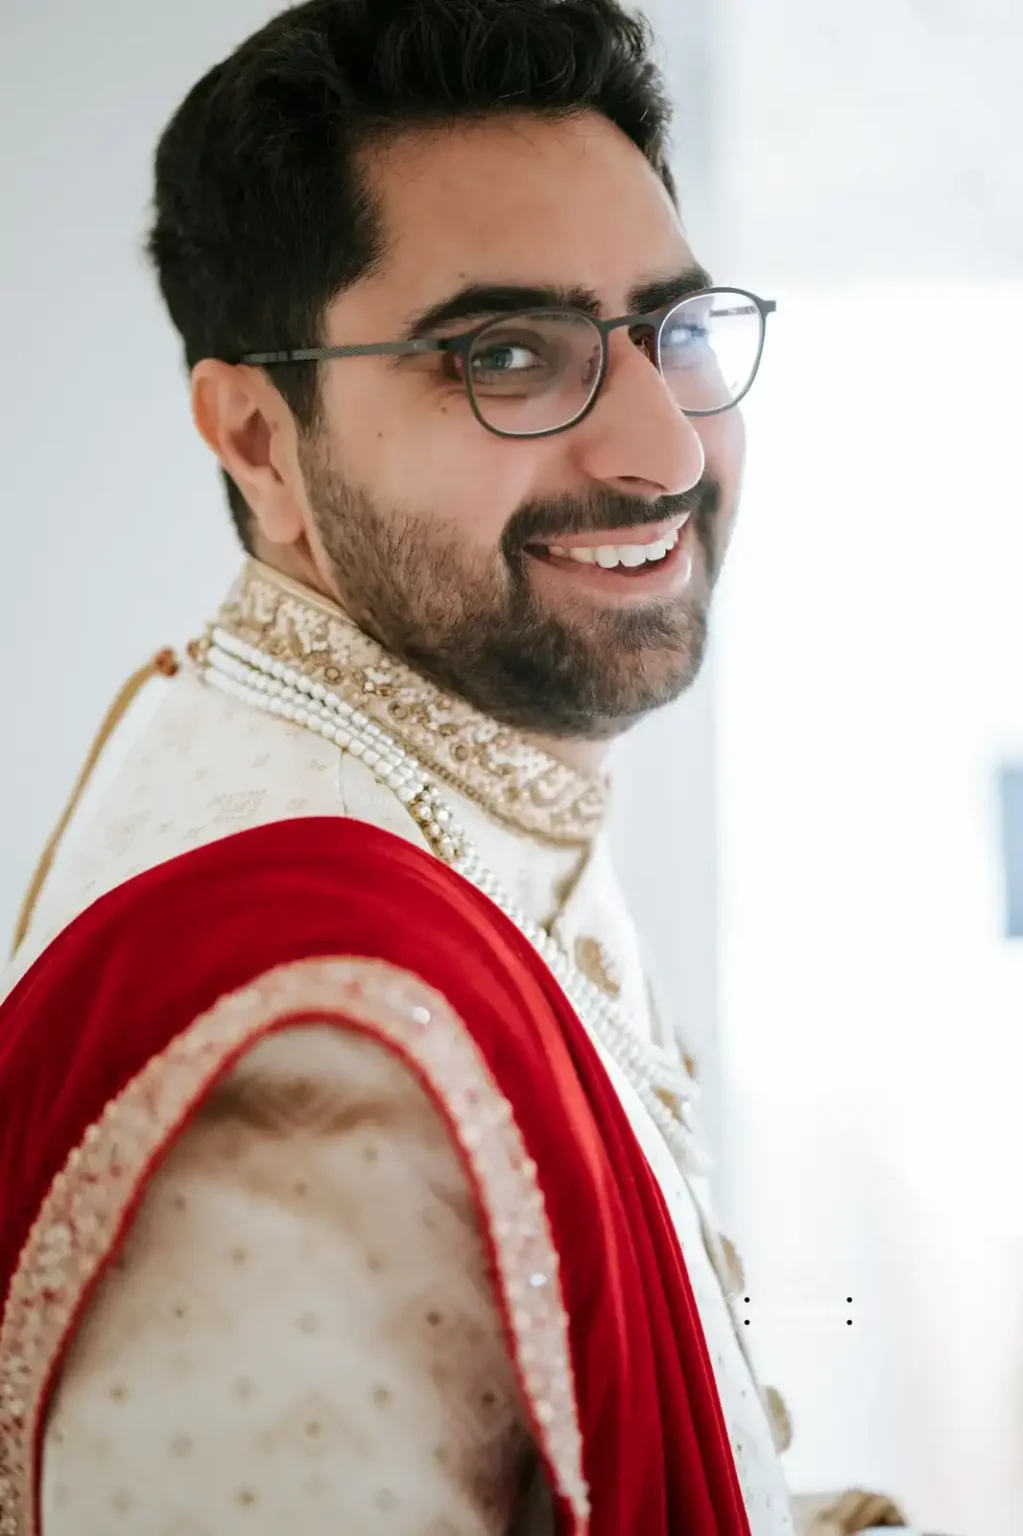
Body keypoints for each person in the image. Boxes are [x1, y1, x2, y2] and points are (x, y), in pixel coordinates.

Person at [0, 2, 910, 1532]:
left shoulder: (448, 787)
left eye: (672, 331)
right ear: (258, 442)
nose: (665, 450)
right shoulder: (312, 1040)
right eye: (503, 353)